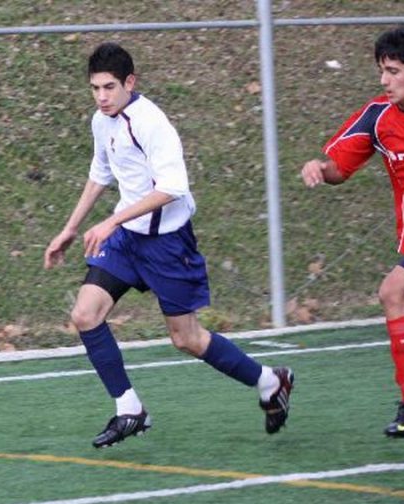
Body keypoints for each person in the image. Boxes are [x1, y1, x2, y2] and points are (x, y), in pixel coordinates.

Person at [44, 42, 293, 448]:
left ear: (130, 82)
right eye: (94, 88)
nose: (102, 97)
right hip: (127, 240)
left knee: (186, 338)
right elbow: (99, 174)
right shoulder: (101, 121)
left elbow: (173, 188)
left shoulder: (151, 122)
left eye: (109, 87)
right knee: (86, 314)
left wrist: (110, 220)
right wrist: (71, 228)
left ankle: (270, 380)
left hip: (167, 244)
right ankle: (130, 410)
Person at [301, 26, 404, 438]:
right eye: (381, 71)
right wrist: (321, 169)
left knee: (394, 291)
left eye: (393, 71)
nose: (384, 80)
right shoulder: (379, 117)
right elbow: (341, 169)